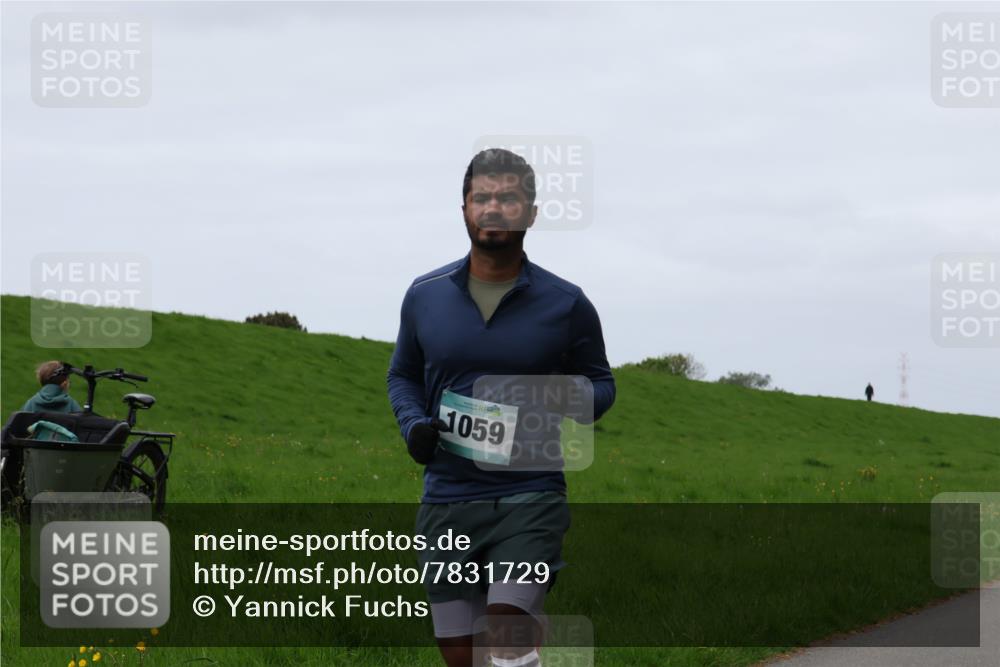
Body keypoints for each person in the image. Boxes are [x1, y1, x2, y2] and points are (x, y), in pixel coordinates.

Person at [387, 148, 616, 667]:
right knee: (460, 653)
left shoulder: (567, 303)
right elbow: (401, 374)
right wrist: (413, 425)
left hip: (529, 495)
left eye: (508, 198)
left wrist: (555, 396)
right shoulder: (424, 296)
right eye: (481, 197)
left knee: (507, 632)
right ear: (464, 208)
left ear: (531, 213)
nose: (493, 207)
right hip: (448, 498)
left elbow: (602, 384)